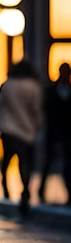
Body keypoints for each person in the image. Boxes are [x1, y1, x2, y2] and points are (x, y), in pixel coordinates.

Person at [0, 59, 43, 213]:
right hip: (27, 130)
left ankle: (5, 185)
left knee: (7, 159)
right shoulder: (34, 87)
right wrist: (36, 125)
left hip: (9, 129)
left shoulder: (8, 85)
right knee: (25, 161)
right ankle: (25, 188)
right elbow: (37, 110)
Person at [38, 62, 71, 204]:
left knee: (68, 163)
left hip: (67, 132)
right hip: (53, 130)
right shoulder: (51, 91)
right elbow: (45, 109)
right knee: (49, 160)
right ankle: (41, 189)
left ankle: (69, 191)